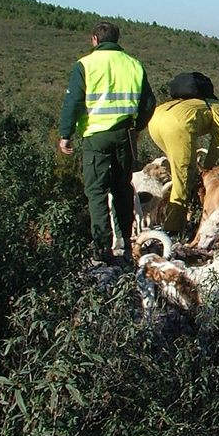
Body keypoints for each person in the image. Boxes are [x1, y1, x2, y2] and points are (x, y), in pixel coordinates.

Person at [58, 21, 156, 264]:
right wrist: (137, 126)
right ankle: (125, 244)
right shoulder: (134, 64)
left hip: (95, 137)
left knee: (96, 192)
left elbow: (73, 104)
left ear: (94, 39)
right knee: (122, 188)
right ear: (117, 39)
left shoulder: (85, 64)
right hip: (125, 135)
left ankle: (102, 250)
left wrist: (65, 134)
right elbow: (149, 104)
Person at [147, 71, 219, 239]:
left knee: (181, 171)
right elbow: (218, 143)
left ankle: (169, 213)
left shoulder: (199, 103)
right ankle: (172, 229)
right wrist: (207, 169)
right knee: (184, 177)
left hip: (156, 118)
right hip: (176, 124)